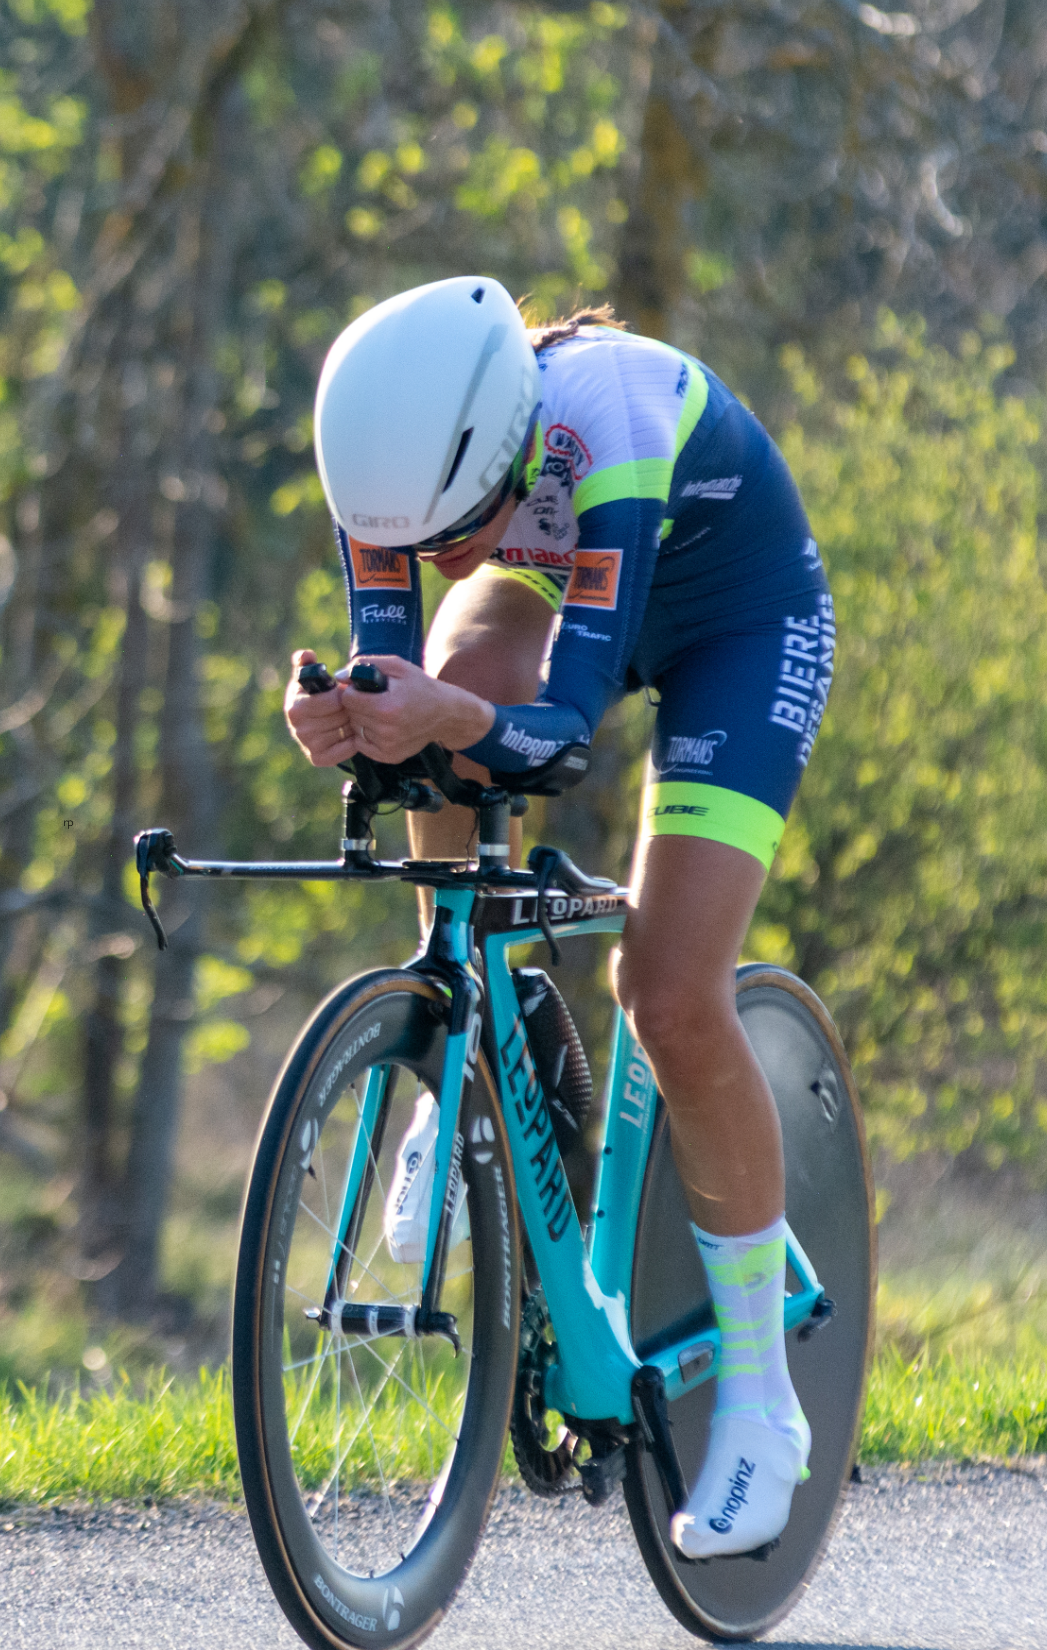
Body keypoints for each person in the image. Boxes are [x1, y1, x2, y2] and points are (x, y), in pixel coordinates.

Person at [283, 275, 836, 1558]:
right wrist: (352, 714)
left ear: (506, 456)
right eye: (410, 546)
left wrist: (444, 716)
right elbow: (398, 681)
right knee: (425, 715)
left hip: (732, 623)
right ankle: (468, 1051)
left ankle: (762, 1398)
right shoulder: (394, 464)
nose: (430, 563)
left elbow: (556, 735)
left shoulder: (612, 424)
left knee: (669, 992)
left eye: (451, 535)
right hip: (561, 572)